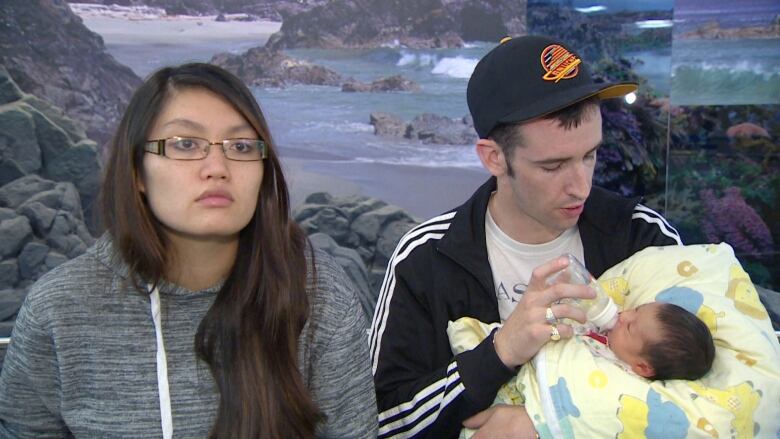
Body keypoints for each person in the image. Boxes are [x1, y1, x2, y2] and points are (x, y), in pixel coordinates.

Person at [0, 63, 377, 438]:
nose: (217, 167)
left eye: (241, 146)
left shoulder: (317, 295)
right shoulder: (59, 310)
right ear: (137, 172)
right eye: (185, 144)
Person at [369, 35, 683, 438]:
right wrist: (500, 351)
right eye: (553, 166)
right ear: (493, 158)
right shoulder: (424, 259)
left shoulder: (644, 236)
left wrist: (549, 424)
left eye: (590, 156)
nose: (581, 187)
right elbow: (383, 421)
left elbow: (724, 399)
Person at [605, 301, 714, 380]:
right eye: (636, 309)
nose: (623, 315)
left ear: (642, 367)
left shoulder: (614, 375)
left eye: (629, 327)